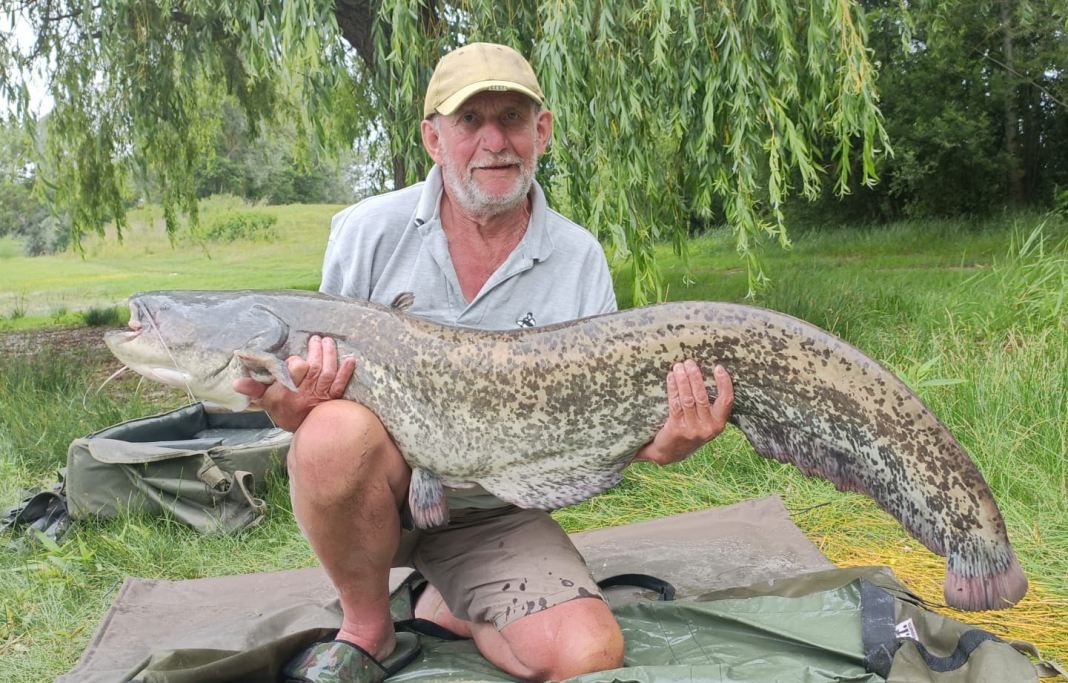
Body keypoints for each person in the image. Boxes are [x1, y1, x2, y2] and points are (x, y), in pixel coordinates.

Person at [234, 42, 735, 683]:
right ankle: (367, 626)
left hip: (495, 511)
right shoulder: (366, 231)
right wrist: (291, 405)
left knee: (587, 656)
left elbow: (593, 429)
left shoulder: (578, 258)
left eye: (512, 119)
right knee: (331, 433)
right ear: (433, 138)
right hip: (378, 486)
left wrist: (659, 444)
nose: (494, 141)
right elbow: (303, 402)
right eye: (470, 120)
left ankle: (448, 600)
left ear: (541, 131)